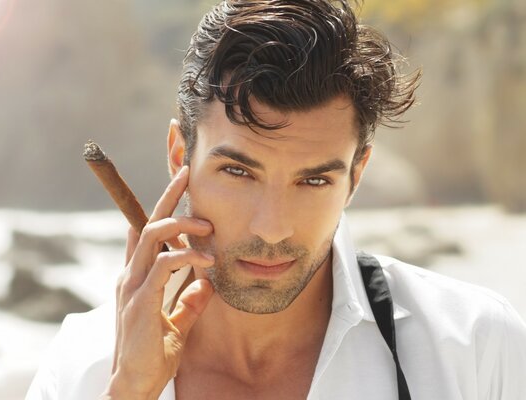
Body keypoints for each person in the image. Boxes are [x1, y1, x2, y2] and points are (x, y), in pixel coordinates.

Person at [26, 1, 526, 399]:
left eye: (313, 182)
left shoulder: (473, 344)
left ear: (357, 174)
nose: (272, 228)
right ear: (181, 156)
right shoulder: (82, 365)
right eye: (239, 172)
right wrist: (130, 394)